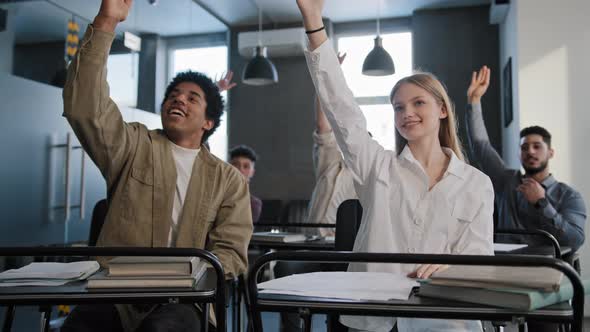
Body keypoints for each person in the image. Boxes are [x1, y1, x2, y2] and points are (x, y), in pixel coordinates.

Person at [295, 1, 495, 331]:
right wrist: (314, 23)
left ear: (442, 110)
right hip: (374, 317)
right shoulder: (377, 166)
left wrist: (451, 268)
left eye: (418, 103)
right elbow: (341, 110)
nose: (406, 113)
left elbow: (478, 257)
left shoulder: (475, 183)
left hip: (444, 318)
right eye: (398, 107)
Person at [60, 0, 252, 331]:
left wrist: (193, 275)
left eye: (193, 98)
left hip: (184, 298)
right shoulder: (133, 144)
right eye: (174, 95)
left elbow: (232, 253)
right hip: (115, 293)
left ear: (207, 122)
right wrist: (107, 22)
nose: (179, 99)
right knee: (79, 327)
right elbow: (84, 108)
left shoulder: (228, 180)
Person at [465, 66, 586, 252]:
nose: (530, 151)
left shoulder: (569, 195)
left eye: (537, 146)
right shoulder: (507, 180)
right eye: (524, 147)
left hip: (545, 269)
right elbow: (481, 146)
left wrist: (542, 203)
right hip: (503, 265)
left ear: (550, 152)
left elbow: (574, 240)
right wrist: (474, 101)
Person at [306, 52, 358, 238]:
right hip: (314, 241)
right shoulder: (332, 165)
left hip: (347, 248)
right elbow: (323, 124)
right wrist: (326, 73)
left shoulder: (373, 176)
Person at [229, 144, 263, 223]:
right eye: (235, 164)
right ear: (229, 167)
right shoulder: (217, 197)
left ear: (252, 172)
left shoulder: (253, 204)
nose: (240, 169)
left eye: (246, 166)